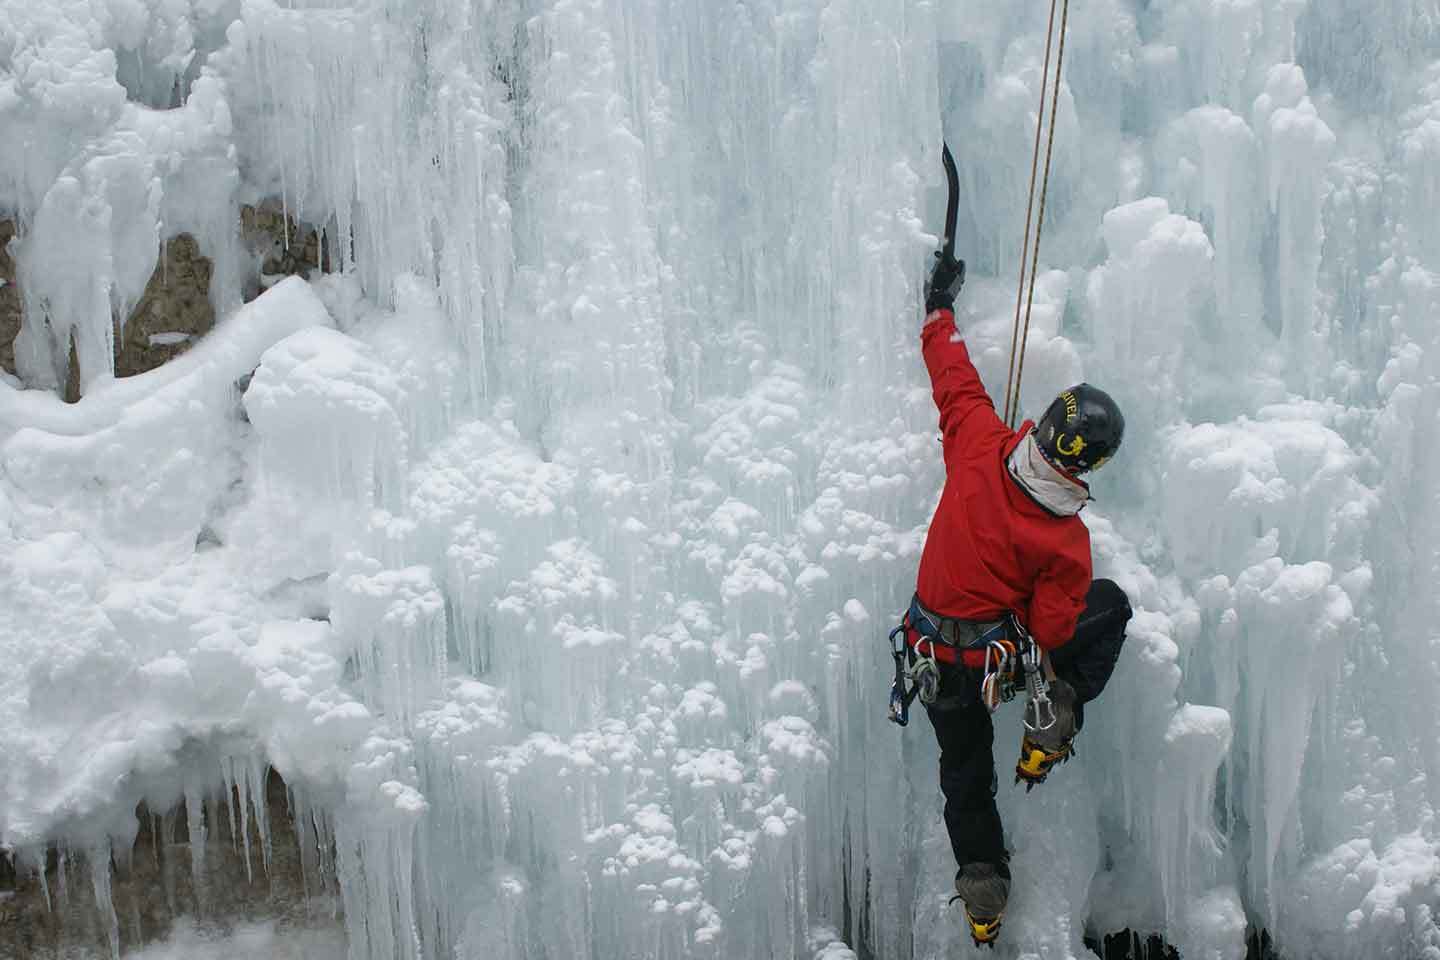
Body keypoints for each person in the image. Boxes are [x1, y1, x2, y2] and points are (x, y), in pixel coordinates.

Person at [905, 251, 1134, 945]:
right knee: (1112, 607)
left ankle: (983, 896)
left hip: (929, 657)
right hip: (994, 665)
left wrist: (938, 309)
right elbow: (1053, 625)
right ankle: (1051, 718)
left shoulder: (978, 440)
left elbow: (954, 379)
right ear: (1089, 465)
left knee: (963, 777)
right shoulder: (1064, 543)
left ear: (1043, 420)